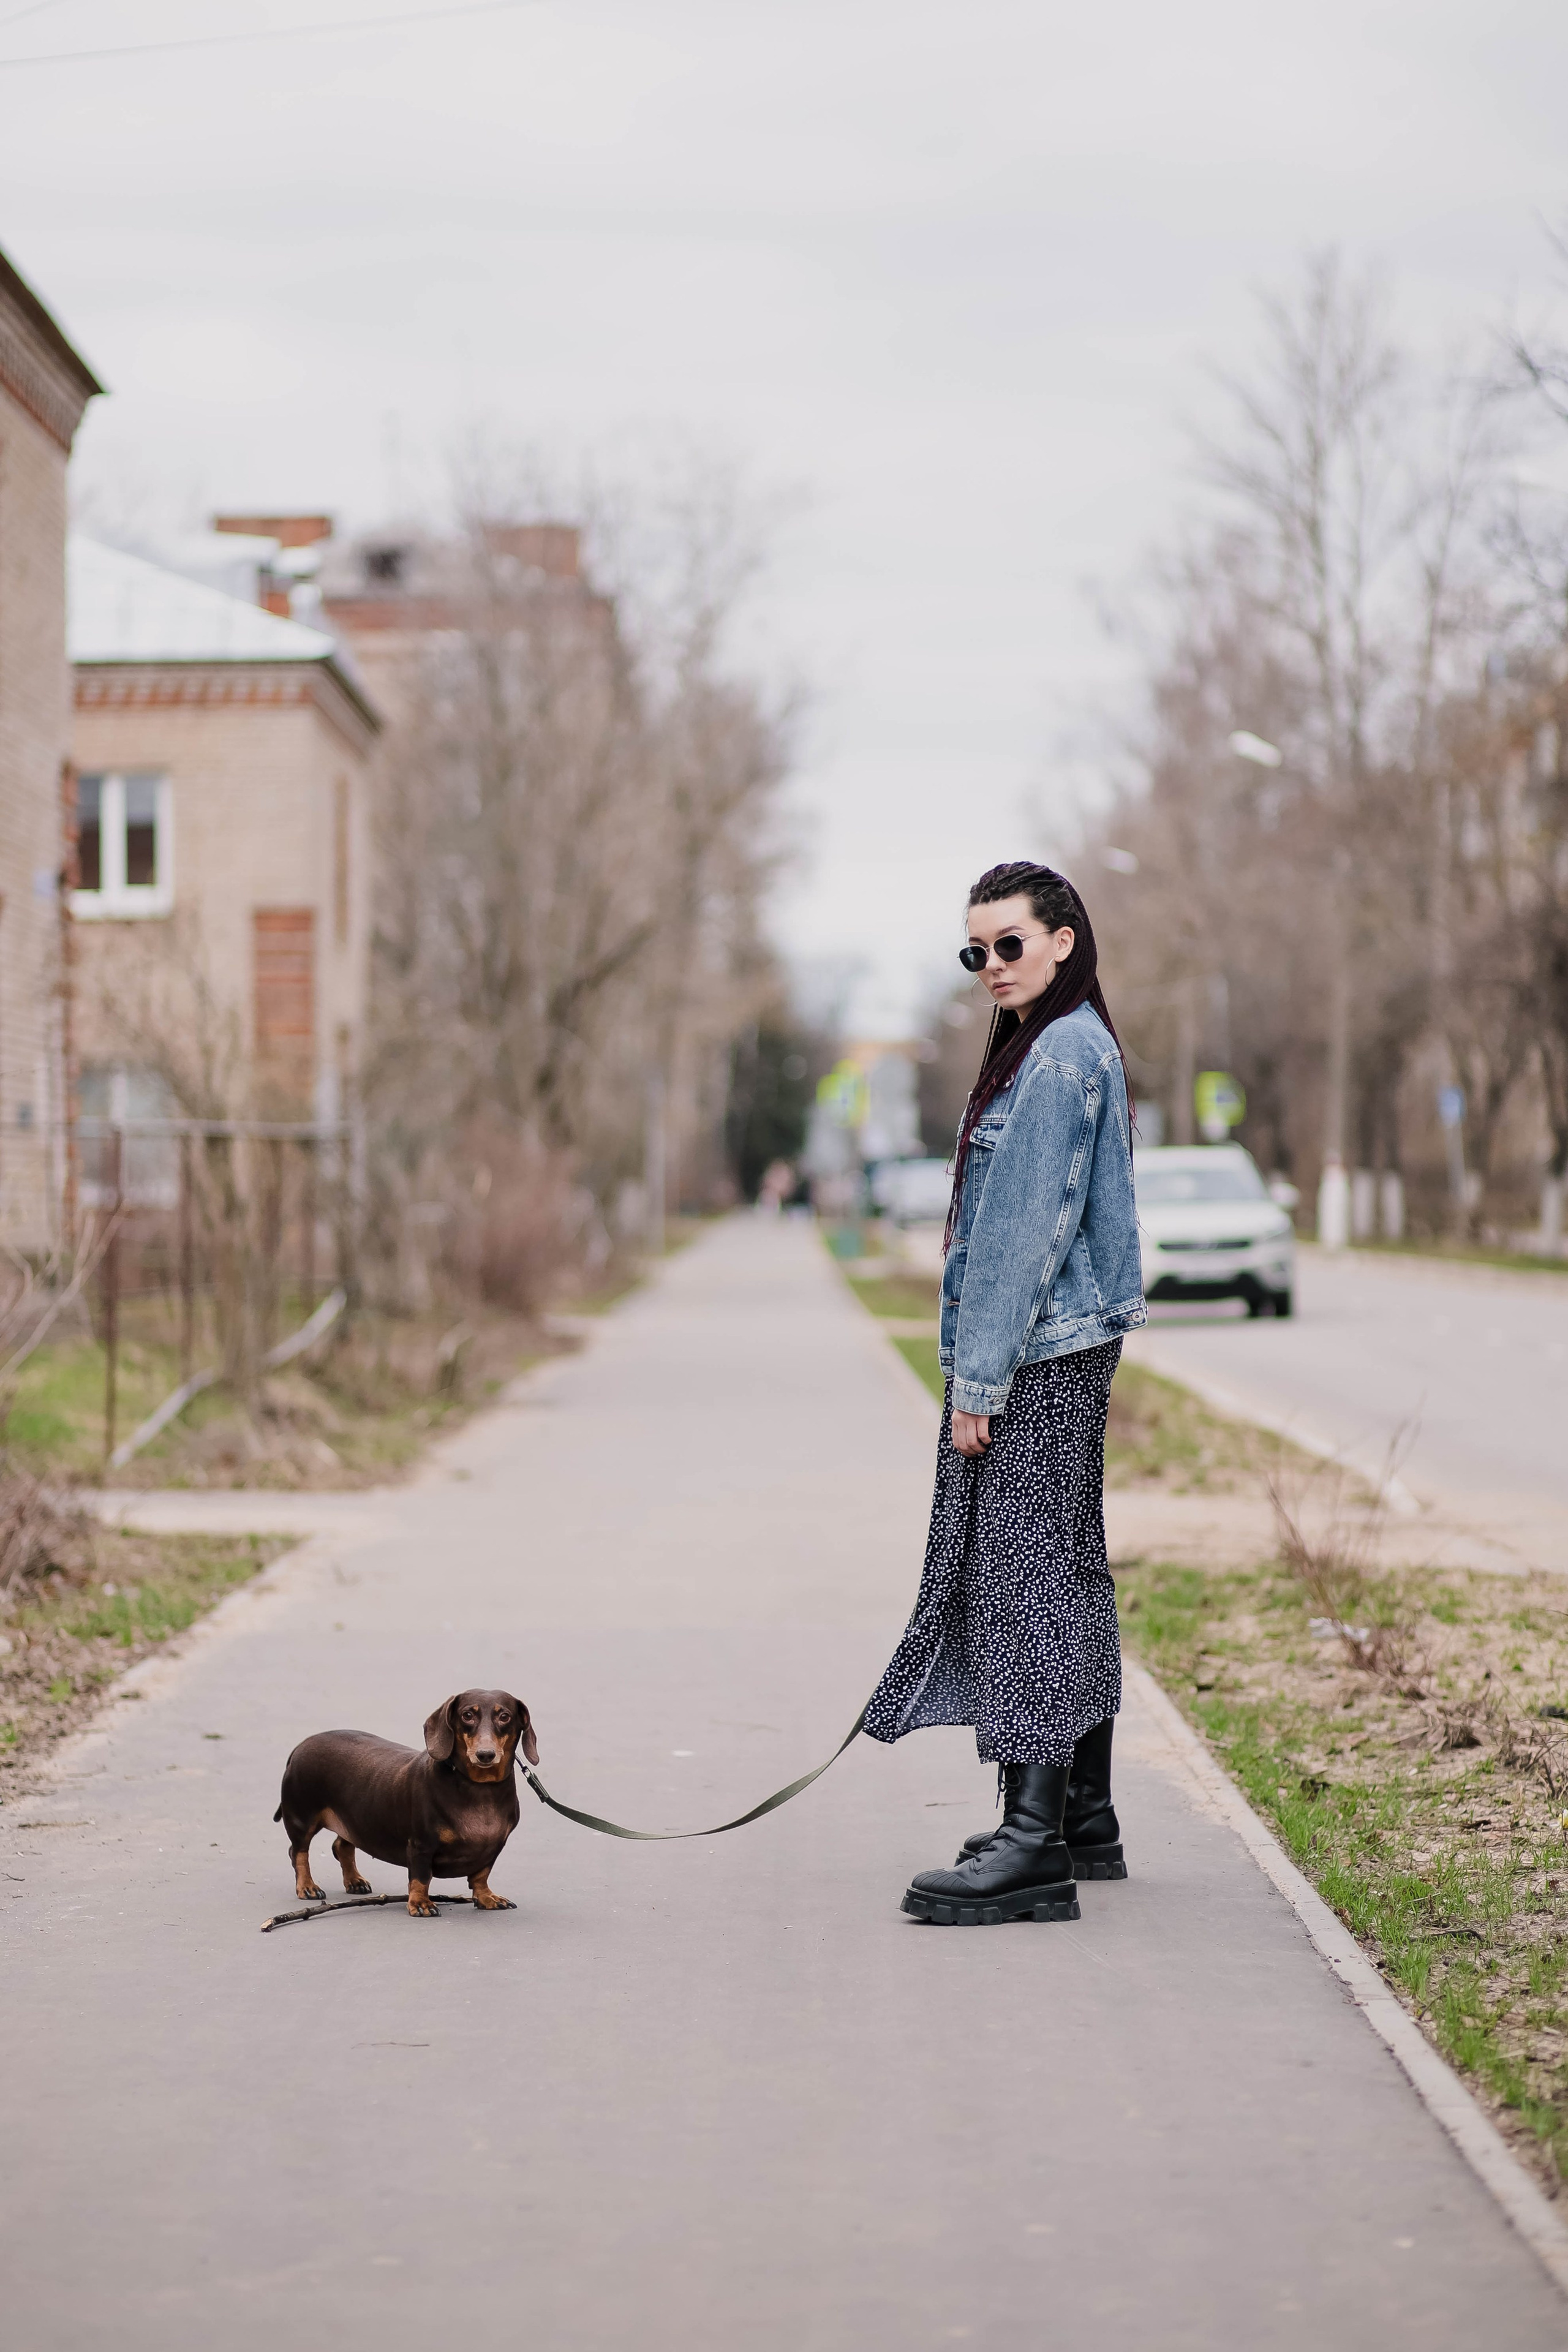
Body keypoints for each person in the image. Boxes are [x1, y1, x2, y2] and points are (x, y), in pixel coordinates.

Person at [862, 861, 1146, 1923]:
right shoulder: (1072, 1041)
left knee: (1025, 1578)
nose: (991, 964)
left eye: (1010, 944)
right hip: (1066, 1349)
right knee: (1064, 1568)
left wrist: (979, 1383)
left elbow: (1022, 1240)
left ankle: (1033, 1846)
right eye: (975, 951)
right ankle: (1079, 1815)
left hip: (1033, 1356)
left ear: (1063, 940)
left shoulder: (1061, 1051)